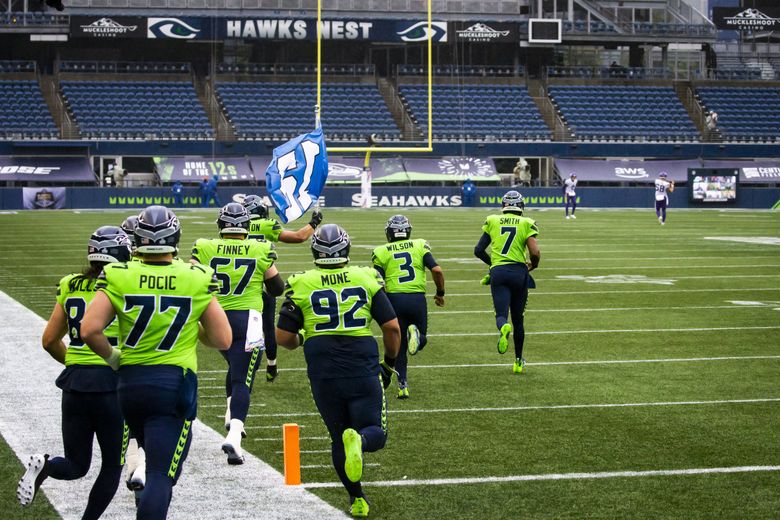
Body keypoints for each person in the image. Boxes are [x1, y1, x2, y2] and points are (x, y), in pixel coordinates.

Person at [81, 205, 232, 520]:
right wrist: (194, 324)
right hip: (173, 385)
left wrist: (112, 357)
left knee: (149, 457)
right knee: (162, 475)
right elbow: (223, 339)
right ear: (175, 237)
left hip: (130, 385)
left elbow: (89, 330)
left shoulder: (119, 274)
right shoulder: (197, 277)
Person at [275, 224, 401, 518]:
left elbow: (283, 338)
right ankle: (361, 441)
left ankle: (357, 498)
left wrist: (305, 337)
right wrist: (390, 363)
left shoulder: (301, 283)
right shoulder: (366, 277)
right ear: (346, 249)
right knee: (375, 433)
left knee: (337, 436)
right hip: (361, 362)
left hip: (322, 367)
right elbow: (392, 327)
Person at [17, 226, 132, 518]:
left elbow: (49, 340)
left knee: (75, 464)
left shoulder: (70, 284)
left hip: (75, 385)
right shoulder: (126, 284)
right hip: (112, 383)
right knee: (112, 465)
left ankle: (47, 465)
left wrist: (75, 363)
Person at [190, 202, 284, 465]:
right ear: (245, 226)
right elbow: (277, 288)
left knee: (234, 366)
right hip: (249, 320)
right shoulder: (259, 248)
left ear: (221, 226)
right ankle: (235, 433)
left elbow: (190, 276)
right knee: (243, 377)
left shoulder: (205, 247)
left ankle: (231, 411)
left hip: (215, 317)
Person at [241, 194, 323, 382]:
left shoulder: (236, 227)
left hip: (240, 285)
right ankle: (271, 365)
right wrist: (314, 223)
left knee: (239, 327)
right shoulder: (266, 225)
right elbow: (298, 237)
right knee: (268, 327)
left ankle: (240, 365)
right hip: (265, 282)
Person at [371, 215, 445, 399]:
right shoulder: (419, 245)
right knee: (421, 338)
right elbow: (436, 270)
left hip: (394, 299)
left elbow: (377, 281)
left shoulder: (381, 251)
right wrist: (440, 293)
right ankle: (416, 335)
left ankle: (402, 384)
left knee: (399, 345)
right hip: (417, 298)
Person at [473, 191, 540, 374]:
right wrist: (532, 266)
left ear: (504, 206)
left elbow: (478, 250)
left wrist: (494, 264)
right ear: (521, 206)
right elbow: (534, 252)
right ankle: (518, 361)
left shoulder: (493, 220)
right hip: (519, 273)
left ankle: (503, 327)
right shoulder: (527, 223)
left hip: (499, 273)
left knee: (501, 315)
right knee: (518, 319)